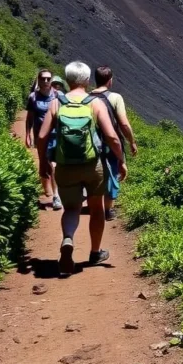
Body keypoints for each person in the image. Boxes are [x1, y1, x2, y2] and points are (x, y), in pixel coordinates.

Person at [37, 61, 127, 276]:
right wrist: (121, 160)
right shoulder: (94, 103)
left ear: (67, 80)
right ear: (87, 81)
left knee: (71, 209)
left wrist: (43, 162)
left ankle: (68, 238)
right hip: (92, 166)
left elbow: (41, 136)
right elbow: (112, 137)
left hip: (65, 166)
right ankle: (95, 252)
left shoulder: (57, 103)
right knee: (96, 208)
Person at [89, 65, 138, 222]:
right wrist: (132, 142)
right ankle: (108, 210)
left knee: (94, 173)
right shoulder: (115, 98)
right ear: (110, 81)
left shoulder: (86, 98)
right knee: (112, 174)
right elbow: (123, 124)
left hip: (91, 143)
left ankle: (93, 205)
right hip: (110, 143)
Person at [25, 68, 63, 211]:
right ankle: (48, 188)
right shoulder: (33, 97)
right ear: (39, 80)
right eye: (43, 79)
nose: (46, 81)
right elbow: (29, 118)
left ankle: (56, 196)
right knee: (44, 162)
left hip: (57, 135)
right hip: (41, 136)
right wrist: (28, 135)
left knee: (53, 165)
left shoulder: (59, 96)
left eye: (48, 79)